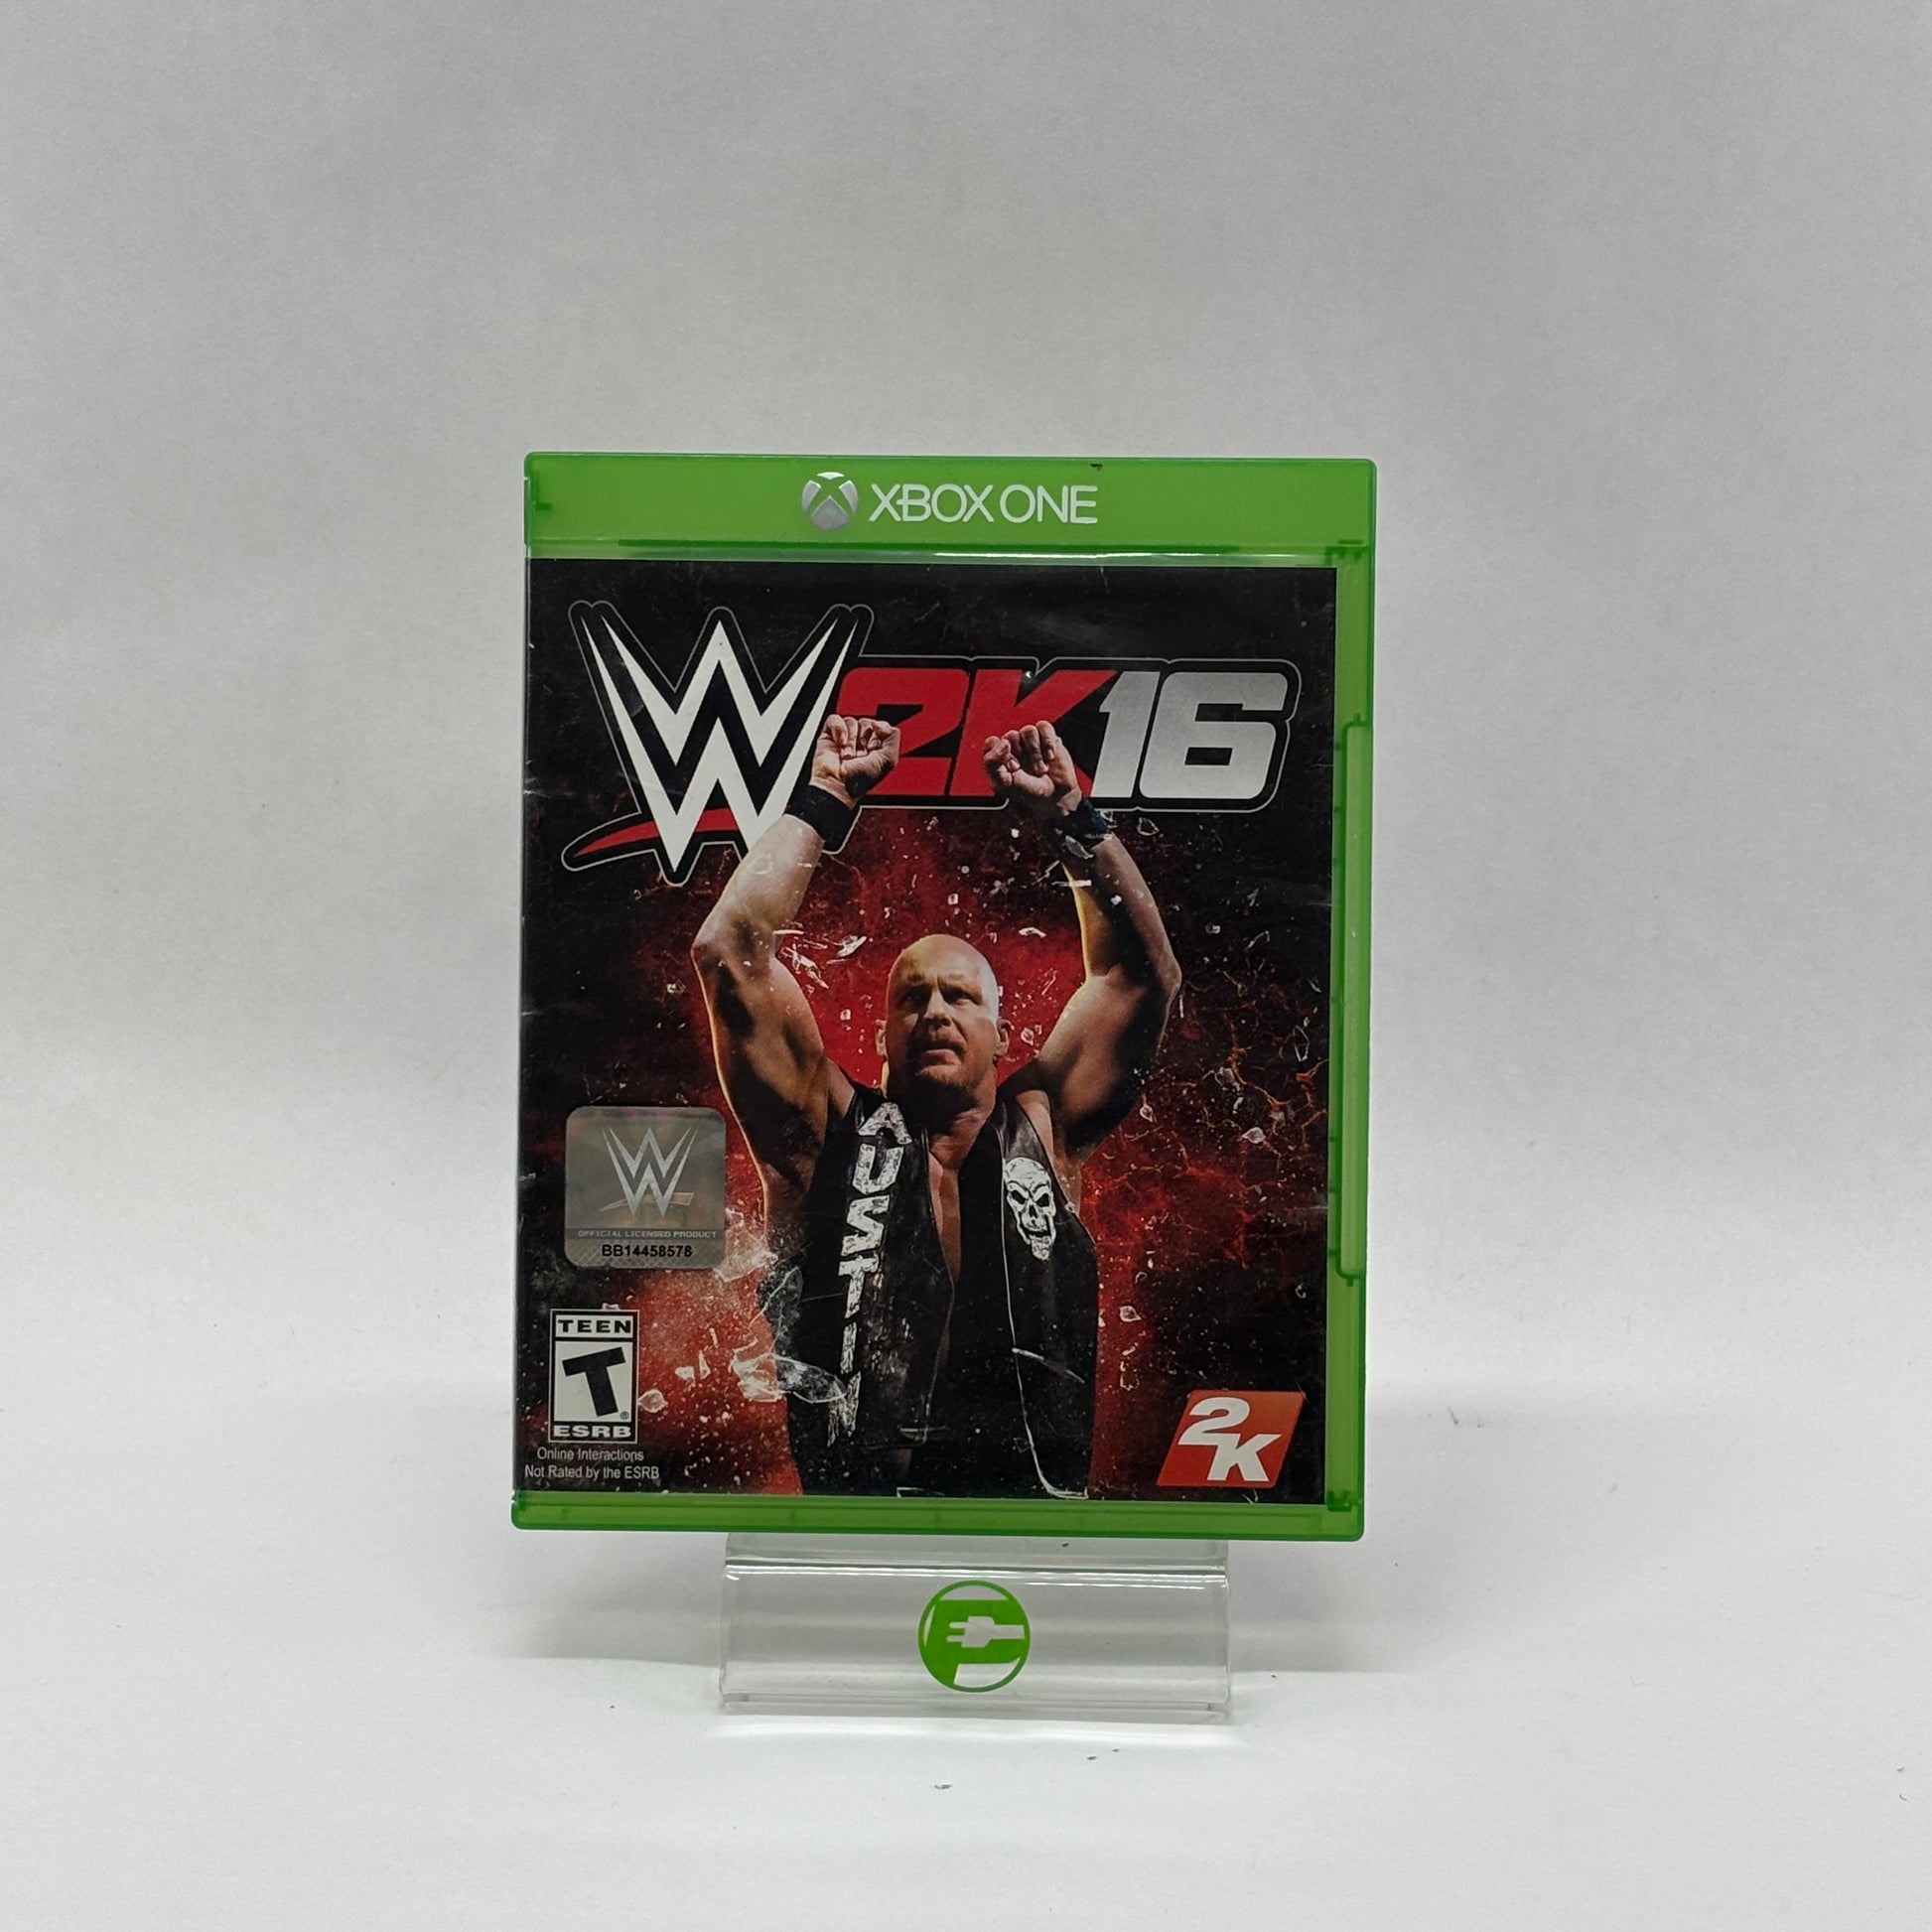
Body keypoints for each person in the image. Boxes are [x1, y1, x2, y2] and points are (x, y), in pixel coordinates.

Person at [691, 713, 1181, 1497]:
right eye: (912, 998)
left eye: (960, 996)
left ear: (1003, 1035)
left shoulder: (1045, 1125)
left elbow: (1141, 975)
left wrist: (1069, 817)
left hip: (1034, 1520)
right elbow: (730, 952)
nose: (935, 1013)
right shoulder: (824, 1132)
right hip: (855, 1520)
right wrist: (826, 798)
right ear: (881, 1034)